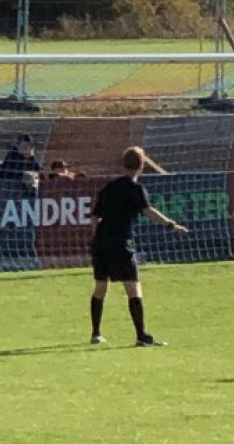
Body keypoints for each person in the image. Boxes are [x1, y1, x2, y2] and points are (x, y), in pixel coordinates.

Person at [89, 146, 189, 347]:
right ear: (142, 166)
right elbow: (148, 211)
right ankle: (142, 336)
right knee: (133, 288)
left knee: (100, 287)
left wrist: (97, 236)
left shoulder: (109, 187)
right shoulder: (136, 189)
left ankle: (96, 333)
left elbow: (94, 215)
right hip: (121, 242)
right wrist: (172, 225)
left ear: (123, 164)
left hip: (101, 242)